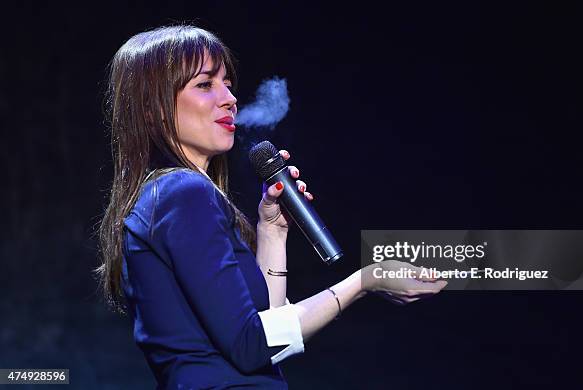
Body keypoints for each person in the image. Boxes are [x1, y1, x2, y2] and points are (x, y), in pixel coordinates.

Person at [96, 24, 447, 389]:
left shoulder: (172, 196)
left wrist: (272, 231)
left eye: (227, 83)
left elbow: (268, 334)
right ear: (153, 109)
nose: (230, 98)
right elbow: (251, 347)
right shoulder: (182, 193)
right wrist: (364, 281)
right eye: (205, 84)